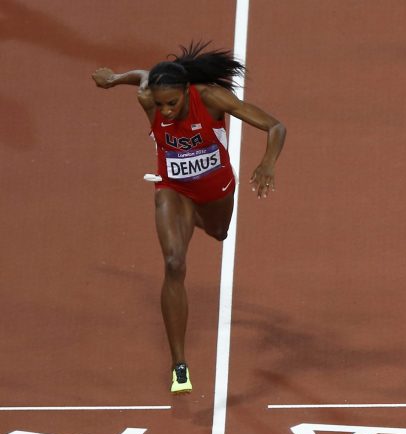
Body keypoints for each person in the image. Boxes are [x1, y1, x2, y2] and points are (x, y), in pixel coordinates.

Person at [92, 42, 286, 394]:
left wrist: (267, 163)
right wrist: (114, 79)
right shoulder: (149, 99)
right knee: (174, 262)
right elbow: (145, 77)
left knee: (220, 233)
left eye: (172, 103)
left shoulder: (210, 98)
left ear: (186, 92)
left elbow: (276, 127)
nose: (164, 111)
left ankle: (196, 220)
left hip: (216, 189)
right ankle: (179, 364)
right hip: (173, 189)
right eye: (160, 103)